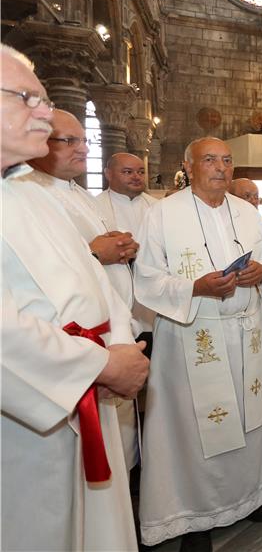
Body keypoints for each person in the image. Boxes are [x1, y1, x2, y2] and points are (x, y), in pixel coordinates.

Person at [1, 43, 148, 550]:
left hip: (88, 387)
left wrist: (120, 350)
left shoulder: (31, 194)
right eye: (28, 98)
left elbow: (92, 281)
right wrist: (100, 365)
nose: (44, 112)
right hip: (30, 417)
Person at [134, 137, 262, 551]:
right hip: (192, 338)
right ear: (189, 165)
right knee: (193, 431)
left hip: (245, 333)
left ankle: (248, 496)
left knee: (248, 422)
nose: (221, 168)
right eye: (210, 160)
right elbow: (145, 279)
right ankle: (195, 516)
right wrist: (194, 287)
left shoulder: (248, 212)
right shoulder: (162, 214)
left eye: (227, 161)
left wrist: (261, 273)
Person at [24, 111, 142, 470]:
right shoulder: (28, 195)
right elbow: (36, 270)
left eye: (83, 140)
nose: (82, 149)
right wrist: (95, 253)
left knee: (118, 445)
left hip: (112, 329)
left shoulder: (79, 194)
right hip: (75, 340)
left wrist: (121, 248)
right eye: (69, 140)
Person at [96, 152, 159, 355]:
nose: (136, 176)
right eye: (127, 172)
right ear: (108, 173)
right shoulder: (94, 207)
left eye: (141, 172)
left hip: (153, 298)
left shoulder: (158, 207)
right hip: (115, 291)